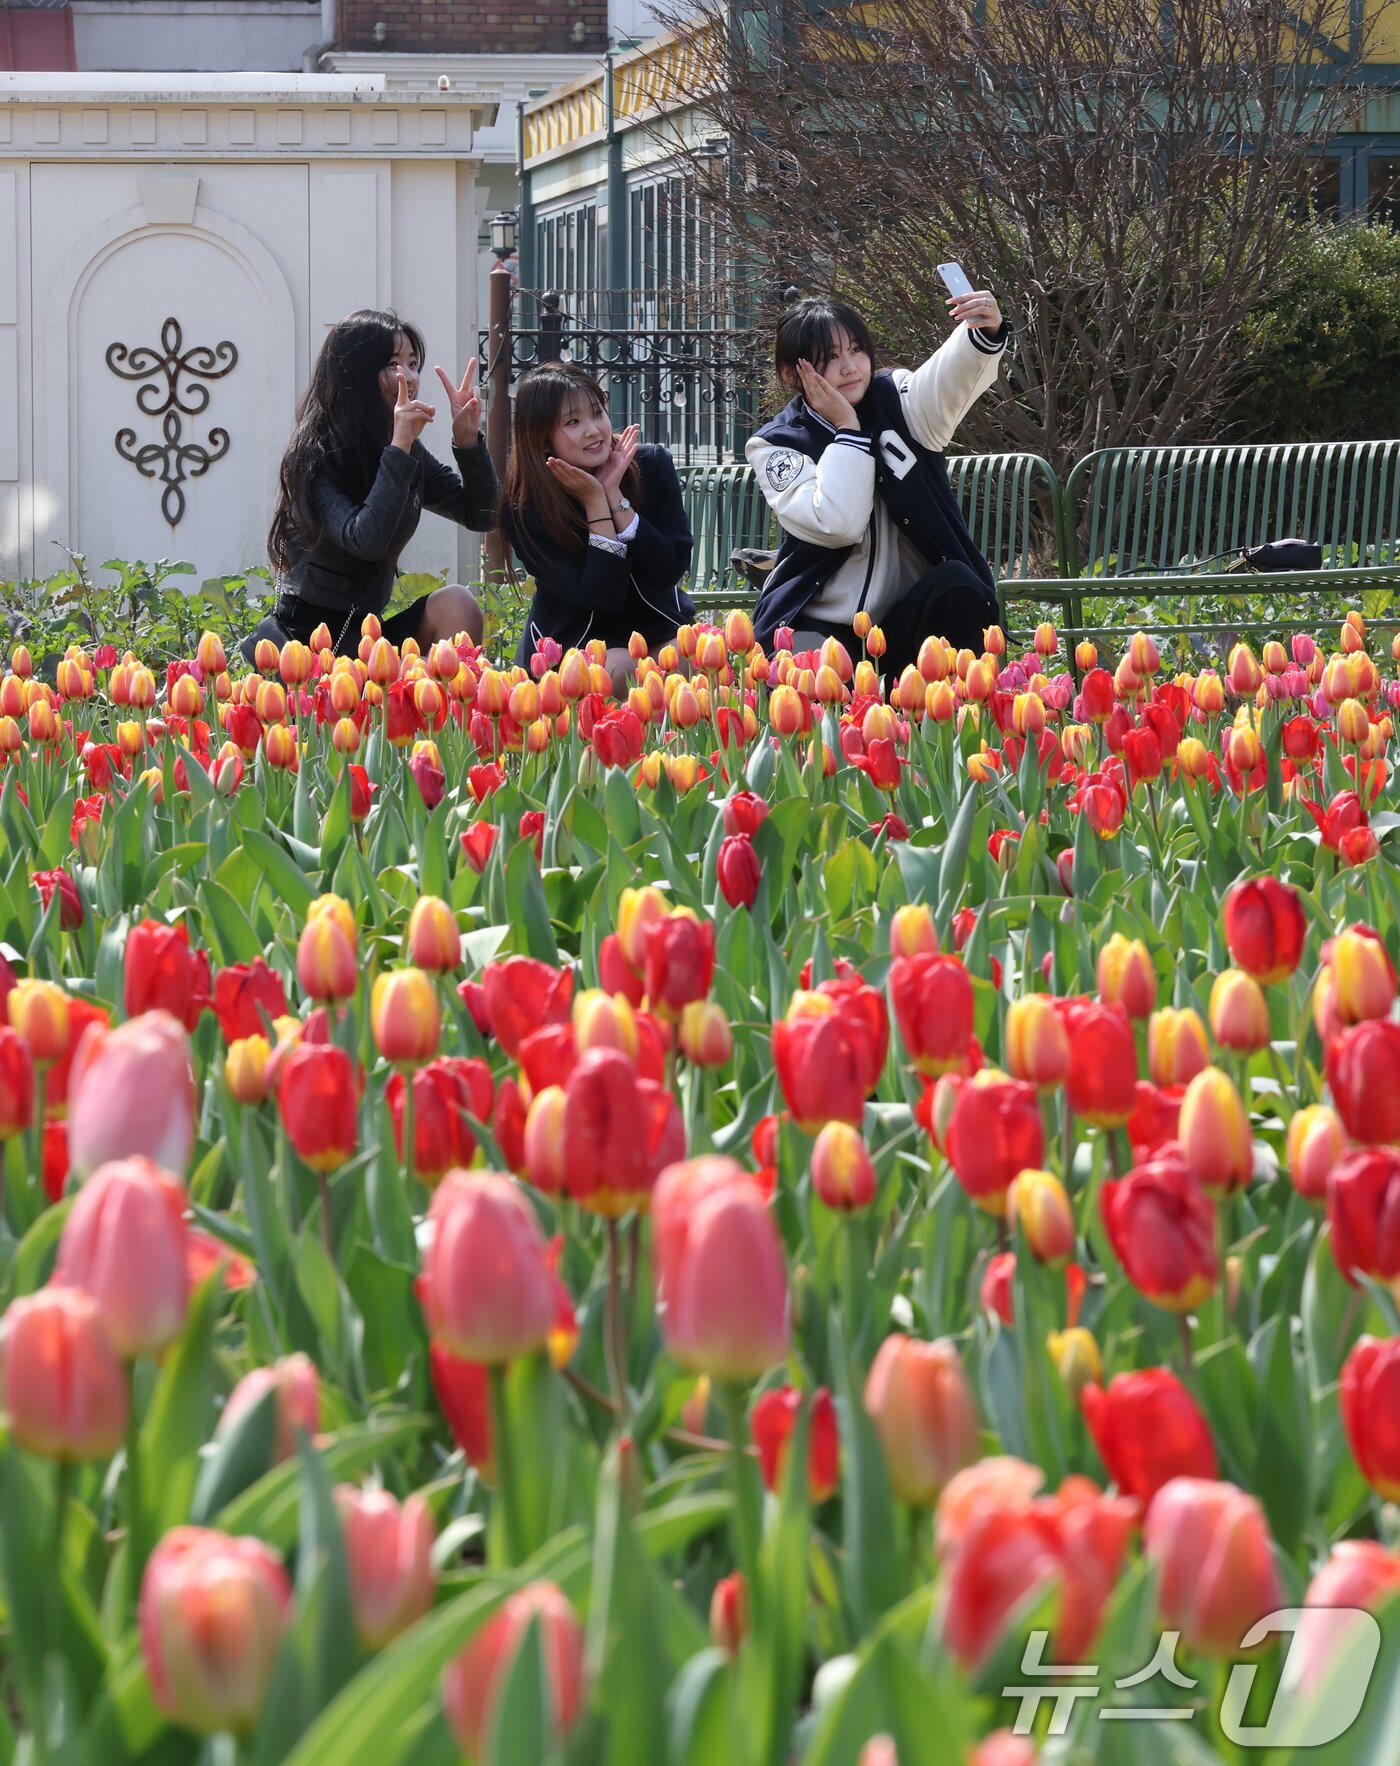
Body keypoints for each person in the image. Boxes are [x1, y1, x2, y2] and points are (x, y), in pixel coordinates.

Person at [747, 287, 1008, 673]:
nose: (851, 367)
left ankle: (951, 721)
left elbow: (942, 383)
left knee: (959, 583)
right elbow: (839, 524)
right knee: (810, 679)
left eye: (856, 349)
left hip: (909, 618)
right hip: (824, 623)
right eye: (831, 358)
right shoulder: (777, 444)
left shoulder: (894, 398)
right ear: (791, 373)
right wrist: (848, 430)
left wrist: (981, 331)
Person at [243, 309, 495, 663]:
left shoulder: (405, 452)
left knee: (457, 604)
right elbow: (366, 541)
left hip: (366, 637)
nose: (408, 377)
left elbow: (483, 514)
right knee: (419, 677)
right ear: (356, 373)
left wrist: (468, 444)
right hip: (309, 646)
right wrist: (399, 448)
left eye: (412, 363)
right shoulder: (316, 456)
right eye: (394, 364)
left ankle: (445, 710)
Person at [498, 363, 695, 693]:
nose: (593, 430)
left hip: (657, 628)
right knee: (622, 669)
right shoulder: (525, 508)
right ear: (542, 439)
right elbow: (601, 597)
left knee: (689, 656)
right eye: (573, 422)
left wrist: (616, 499)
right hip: (573, 642)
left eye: (597, 413)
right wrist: (594, 503)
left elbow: (670, 569)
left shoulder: (650, 465)